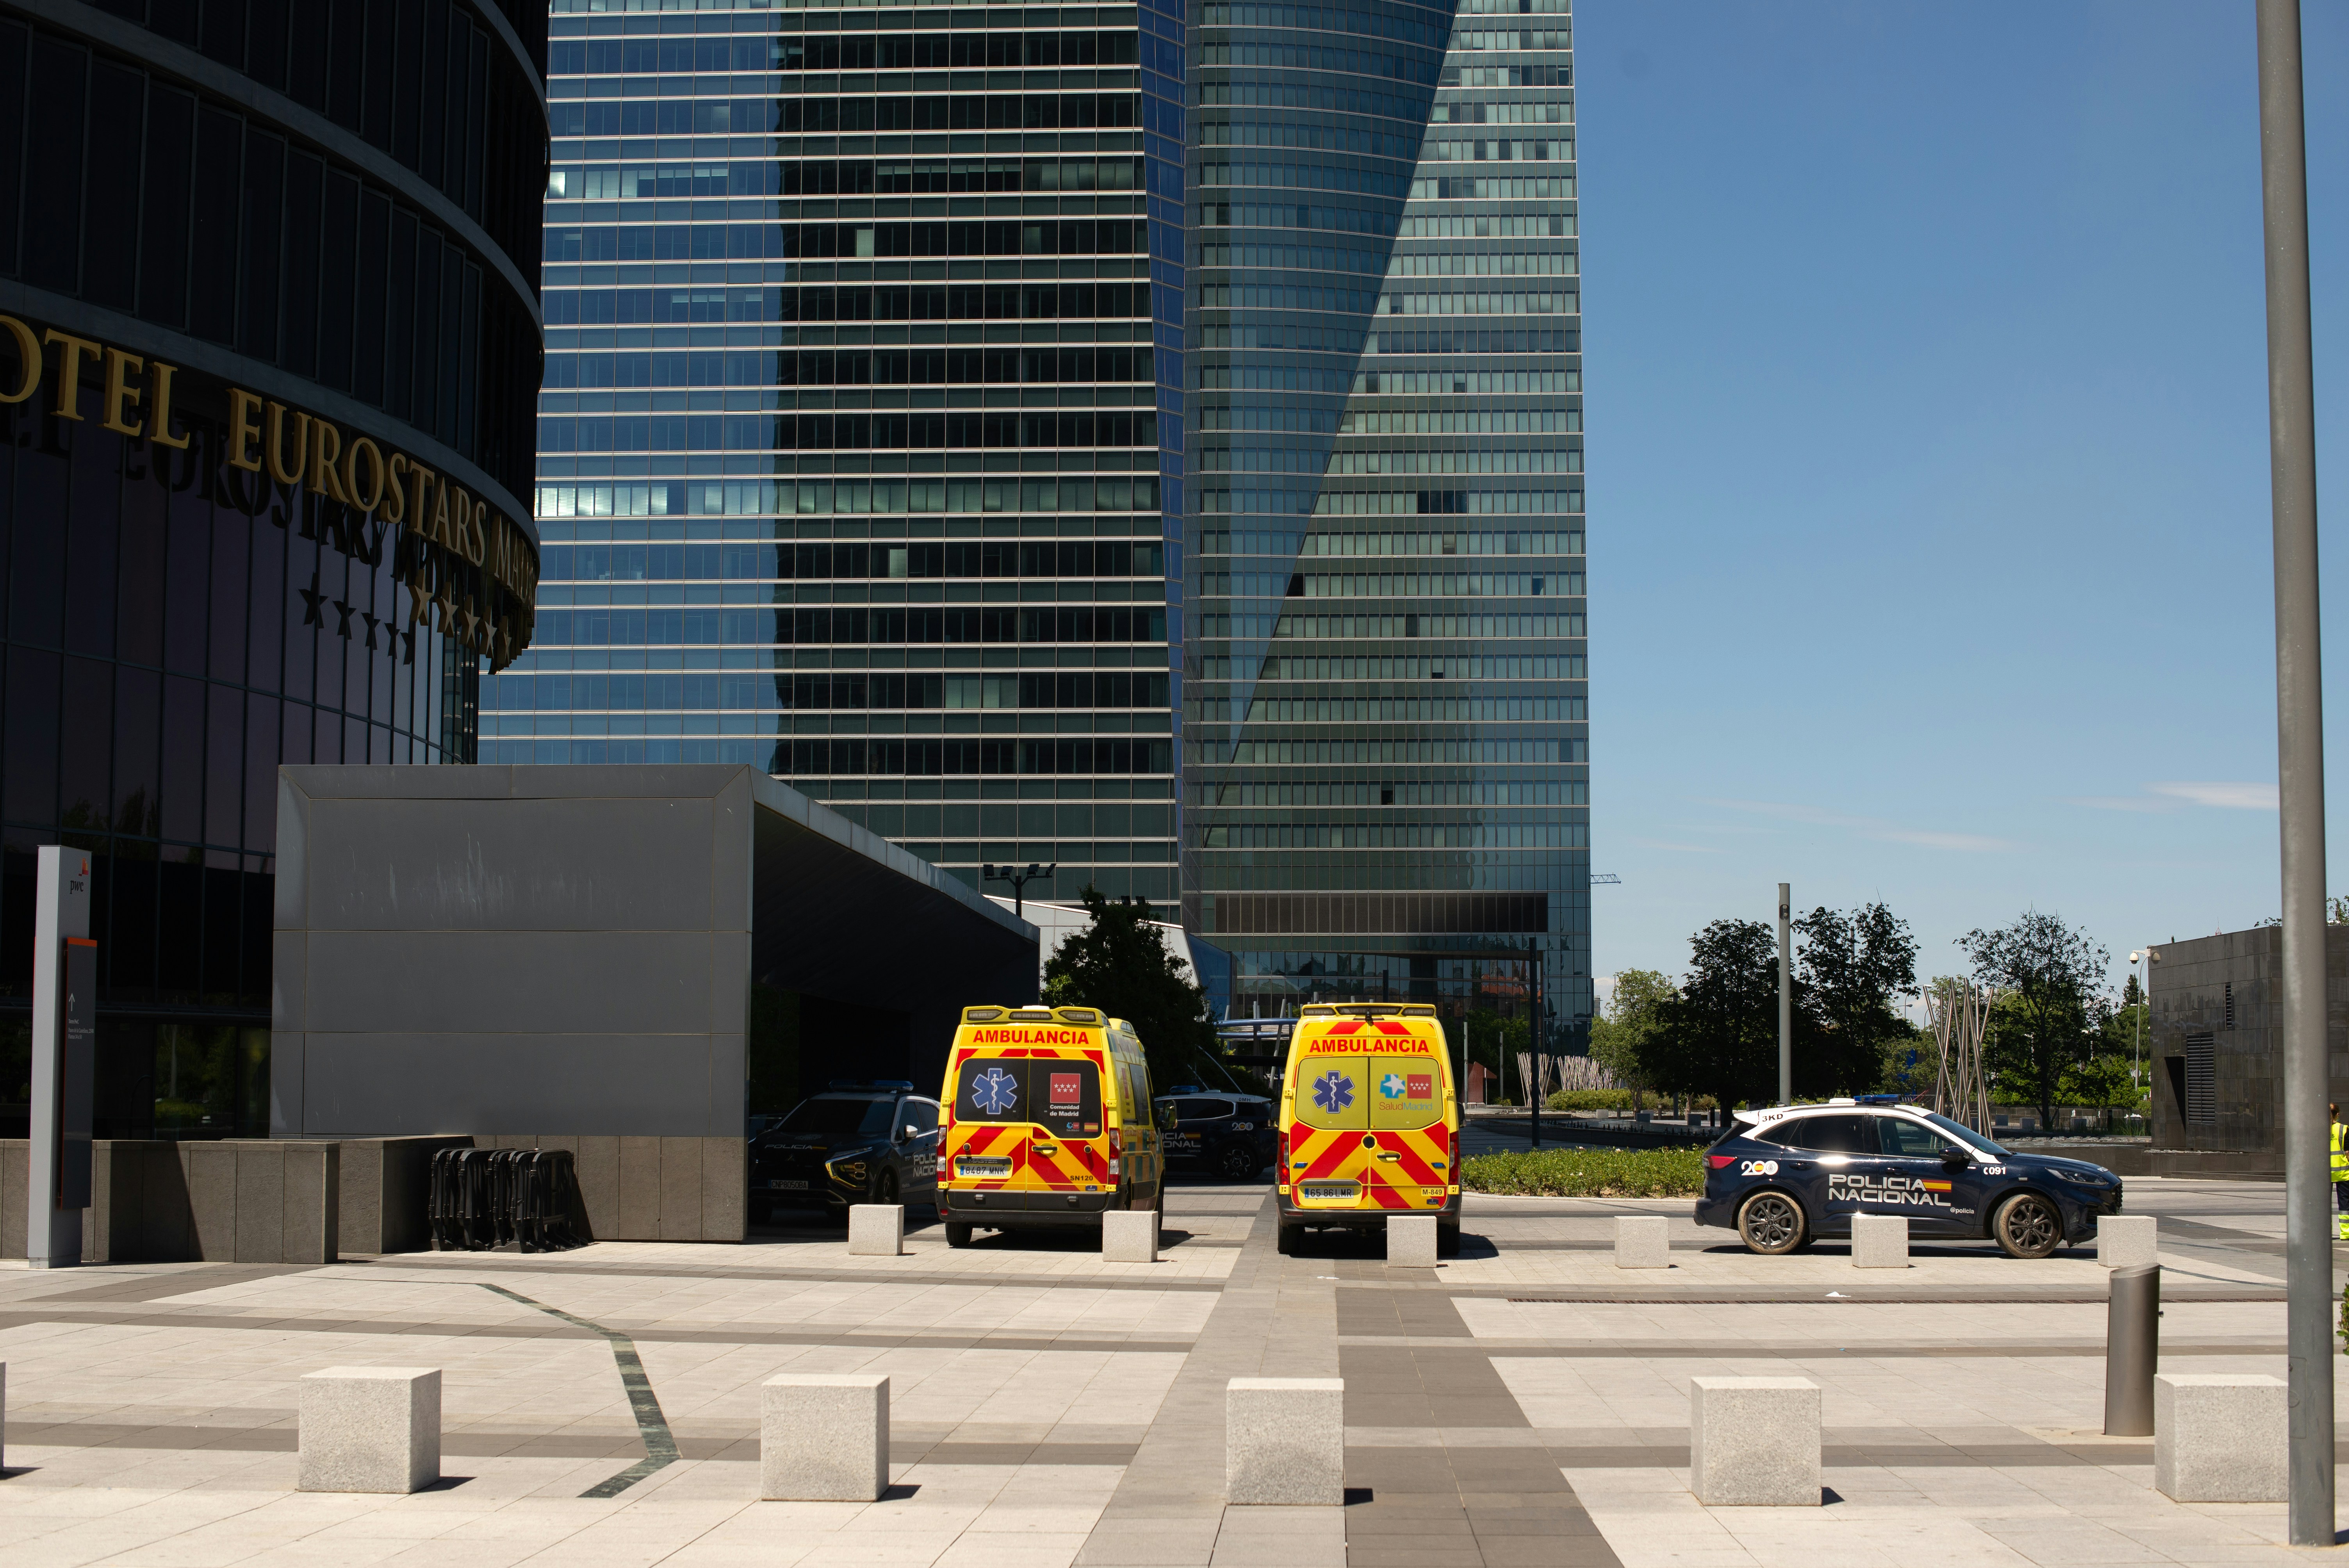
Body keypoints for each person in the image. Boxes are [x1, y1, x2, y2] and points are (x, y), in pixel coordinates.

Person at [2333, 1103, 2349, 1240]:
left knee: (2320, 1203)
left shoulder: (2318, 1129)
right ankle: (2345, 1233)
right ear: (2338, 1114)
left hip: (2323, 1173)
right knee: (2344, 1203)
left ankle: (2322, 1232)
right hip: (2343, 1172)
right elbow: (2348, 1152)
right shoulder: (2343, 1129)